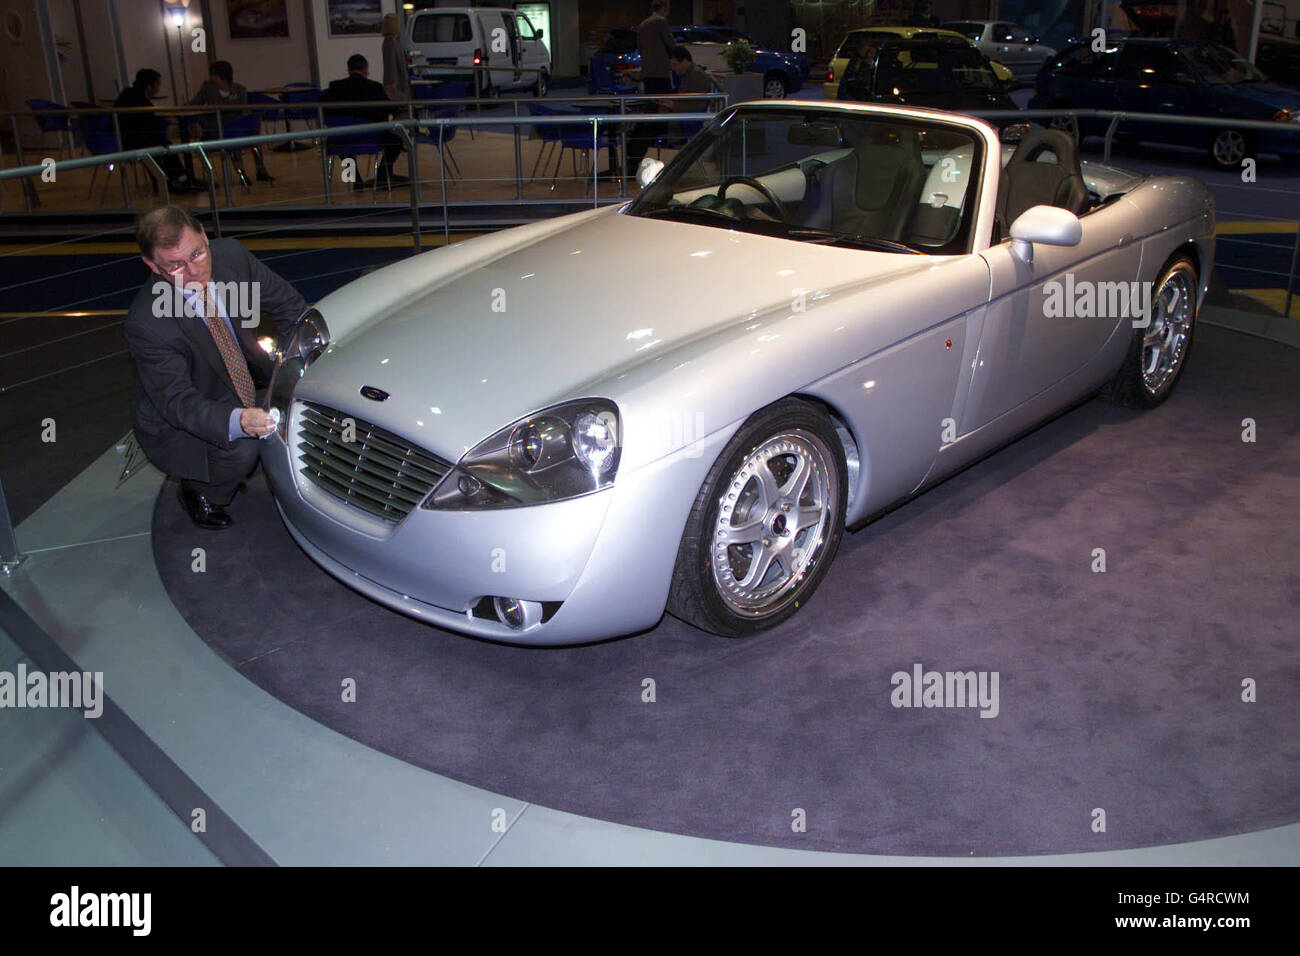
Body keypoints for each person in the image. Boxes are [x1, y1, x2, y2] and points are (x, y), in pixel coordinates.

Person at [123, 206, 306, 530]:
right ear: (152, 266)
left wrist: (295, 368)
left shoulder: (231, 256)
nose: (194, 271)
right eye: (176, 265)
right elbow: (180, 403)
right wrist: (240, 419)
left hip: (246, 376)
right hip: (185, 414)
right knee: (241, 448)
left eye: (197, 253)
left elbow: (291, 307)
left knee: (307, 397)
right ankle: (200, 491)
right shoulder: (148, 323)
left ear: (206, 237)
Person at [622, 46, 718, 178]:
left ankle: (630, 166)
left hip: (682, 121)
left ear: (684, 61)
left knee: (644, 128)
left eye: (674, 64)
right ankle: (630, 164)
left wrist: (672, 105)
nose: (673, 68)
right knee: (642, 125)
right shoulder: (690, 75)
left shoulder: (697, 77)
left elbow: (696, 105)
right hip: (678, 117)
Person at [320, 53, 408, 189]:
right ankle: (383, 176)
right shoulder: (375, 87)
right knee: (396, 141)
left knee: (340, 140)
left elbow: (323, 110)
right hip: (372, 137)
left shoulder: (335, 87)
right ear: (366, 69)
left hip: (342, 137)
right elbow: (393, 109)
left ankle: (355, 178)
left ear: (348, 70)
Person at [113, 69, 204, 193]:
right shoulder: (139, 100)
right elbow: (145, 122)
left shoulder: (129, 95)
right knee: (162, 146)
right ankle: (177, 179)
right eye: (157, 84)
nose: (158, 88)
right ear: (149, 85)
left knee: (163, 145)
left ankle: (177, 179)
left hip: (128, 139)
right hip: (134, 141)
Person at [187, 60, 274, 183]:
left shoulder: (240, 90)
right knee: (234, 142)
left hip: (235, 128)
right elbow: (195, 103)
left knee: (247, 139)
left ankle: (261, 171)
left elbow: (242, 111)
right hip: (215, 130)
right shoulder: (207, 88)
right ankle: (241, 174)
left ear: (219, 77)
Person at [636, 1, 676, 94]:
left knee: (651, 100)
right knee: (664, 100)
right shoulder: (661, 21)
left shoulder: (642, 24)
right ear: (663, 8)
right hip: (660, 70)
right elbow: (670, 43)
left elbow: (640, 48)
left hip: (647, 71)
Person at [381, 13, 411, 103]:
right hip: (396, 85)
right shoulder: (390, 42)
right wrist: (392, 82)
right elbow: (390, 63)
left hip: (397, 82)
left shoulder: (391, 41)